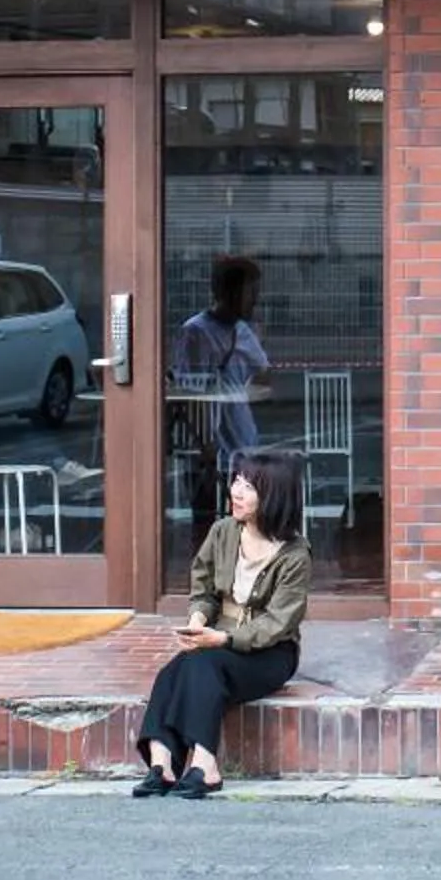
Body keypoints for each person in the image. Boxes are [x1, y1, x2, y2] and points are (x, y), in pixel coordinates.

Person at [133, 447, 311, 799]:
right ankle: (162, 763)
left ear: (273, 495)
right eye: (236, 481)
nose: (236, 491)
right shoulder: (223, 532)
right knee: (175, 670)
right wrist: (198, 620)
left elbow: (277, 622)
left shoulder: (295, 553)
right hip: (218, 642)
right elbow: (204, 589)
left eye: (248, 485)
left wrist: (223, 640)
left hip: (271, 654)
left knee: (202, 663)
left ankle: (205, 763)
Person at [171, 254, 271, 529]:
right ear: (230, 292)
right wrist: (204, 443)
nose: (255, 300)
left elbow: (264, 371)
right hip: (208, 449)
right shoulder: (195, 332)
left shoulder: (242, 330)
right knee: (206, 523)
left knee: (243, 524)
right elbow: (189, 392)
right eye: (250, 292)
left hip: (241, 443)